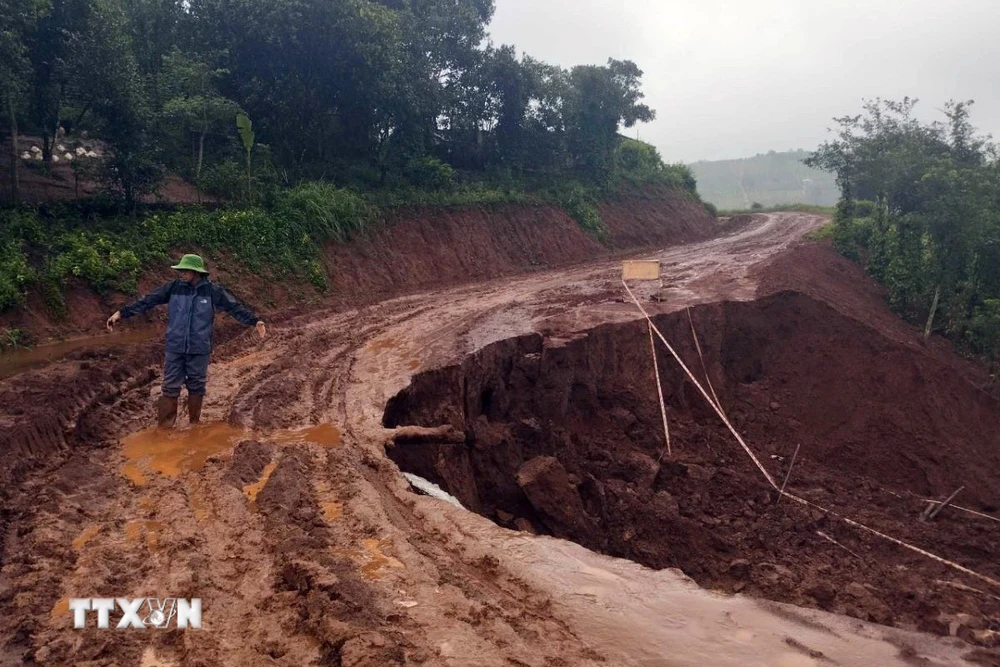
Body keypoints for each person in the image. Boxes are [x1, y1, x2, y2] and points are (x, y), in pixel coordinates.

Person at [106, 254, 266, 427]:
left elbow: (234, 307)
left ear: (196, 272)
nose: (181, 273)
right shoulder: (173, 288)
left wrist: (254, 321)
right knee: (169, 387)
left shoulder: (212, 291)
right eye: (180, 270)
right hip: (175, 346)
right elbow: (148, 300)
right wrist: (121, 313)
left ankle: (194, 425)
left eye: (185, 270)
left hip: (199, 348)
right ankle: (165, 429)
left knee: (196, 386)